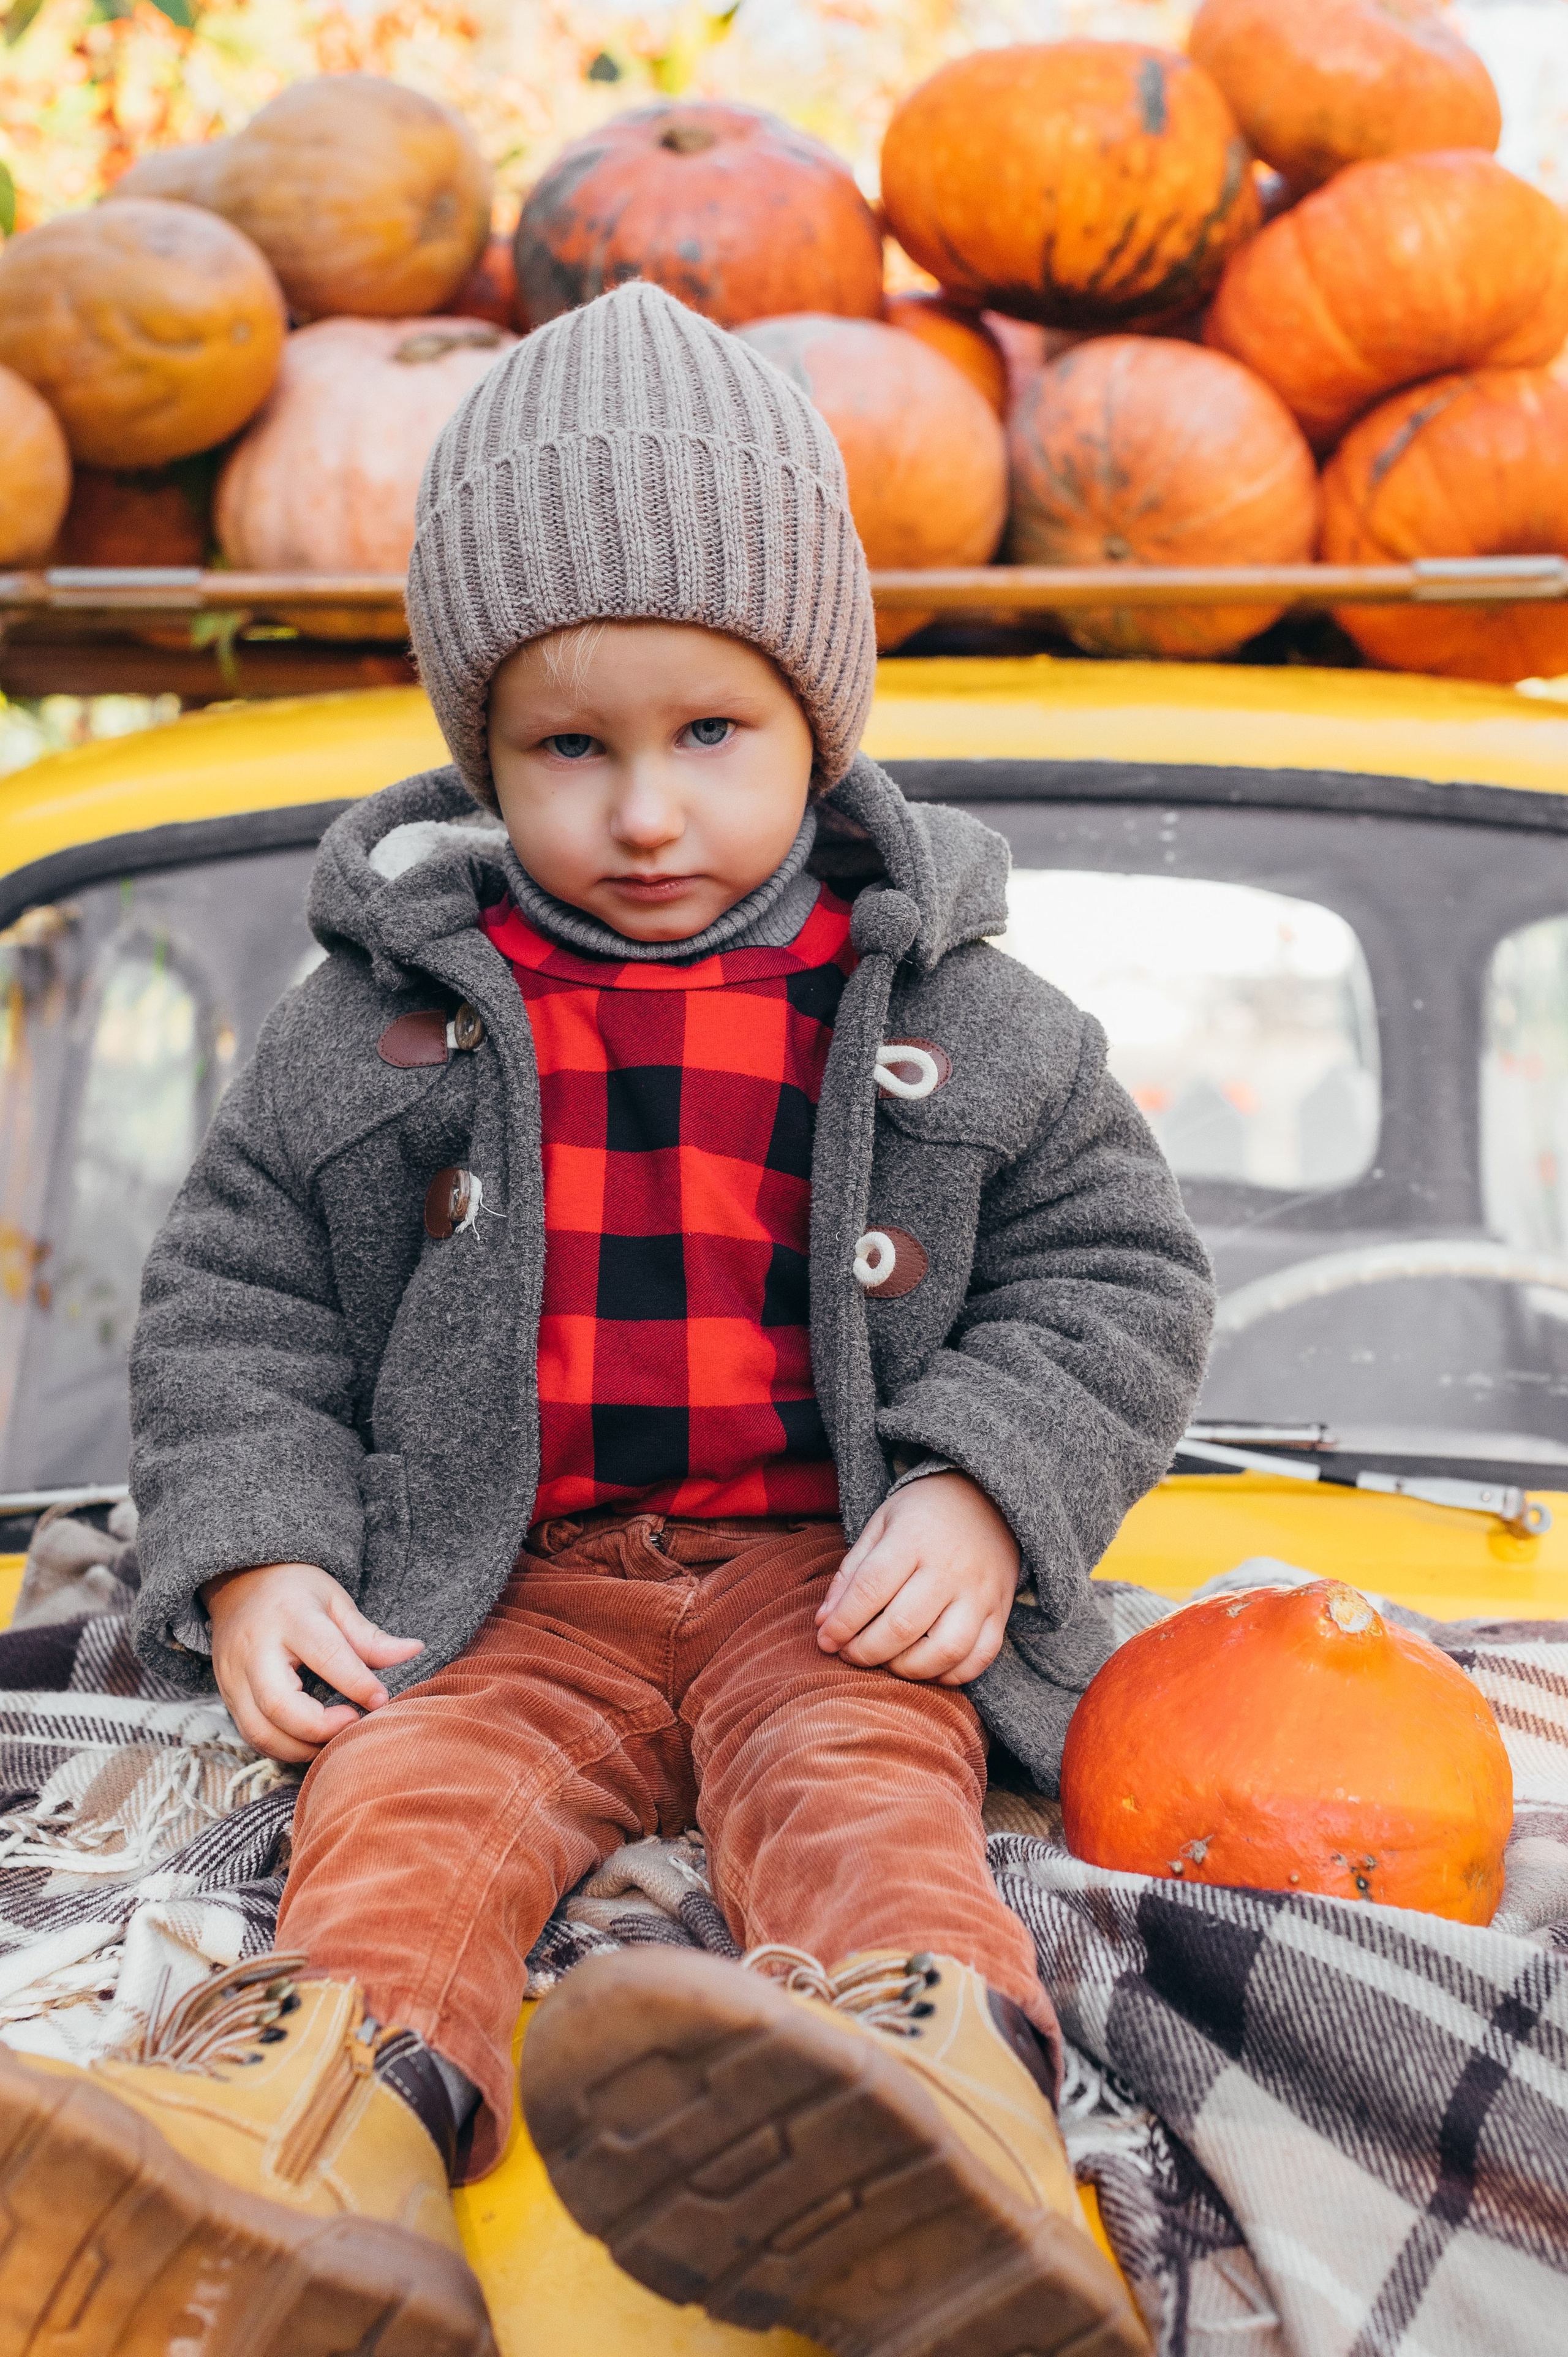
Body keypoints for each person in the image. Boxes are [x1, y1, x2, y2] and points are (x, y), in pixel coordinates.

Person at [0, 282, 1212, 2357]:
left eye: (709, 736)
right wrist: (265, 1545)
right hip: (498, 1587)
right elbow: (237, 1295)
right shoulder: (381, 1015)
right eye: (572, 747)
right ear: (484, 747)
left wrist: (986, 1494)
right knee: (398, 1818)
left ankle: (939, 2130)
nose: (646, 814)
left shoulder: (955, 1005)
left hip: (827, 1576)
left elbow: (1118, 1268)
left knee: (870, 1805)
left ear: (820, 717)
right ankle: (308, 2156)